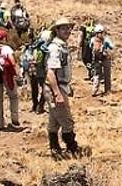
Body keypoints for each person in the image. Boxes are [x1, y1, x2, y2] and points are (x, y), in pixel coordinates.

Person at [44, 17, 79, 157]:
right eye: (63, 28)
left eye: (68, 28)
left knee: (54, 121)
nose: (67, 30)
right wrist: (57, 93)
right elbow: (50, 72)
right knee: (67, 121)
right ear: (56, 30)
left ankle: (54, 149)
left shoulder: (62, 46)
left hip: (59, 87)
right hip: (55, 89)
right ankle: (72, 149)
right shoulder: (55, 48)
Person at [0, 29, 22, 132]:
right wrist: (17, 74)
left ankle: (0, 124)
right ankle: (15, 120)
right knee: (13, 97)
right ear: (4, 38)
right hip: (6, 75)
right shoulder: (7, 48)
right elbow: (12, 62)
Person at [22, 31, 49, 114]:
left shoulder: (30, 47)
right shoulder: (44, 47)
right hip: (42, 70)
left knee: (34, 88)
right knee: (45, 88)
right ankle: (40, 106)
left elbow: (24, 58)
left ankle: (35, 105)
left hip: (32, 70)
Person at [92, 24, 114, 95]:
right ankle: (107, 90)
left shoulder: (93, 39)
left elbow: (90, 46)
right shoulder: (106, 39)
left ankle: (95, 90)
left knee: (97, 74)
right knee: (107, 75)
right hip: (105, 58)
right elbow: (112, 46)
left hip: (96, 59)